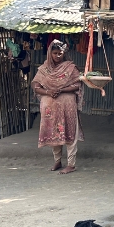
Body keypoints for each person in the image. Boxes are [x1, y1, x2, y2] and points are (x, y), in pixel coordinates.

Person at [32, 39, 83, 174]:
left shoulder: (71, 67)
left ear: (64, 53)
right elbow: (36, 86)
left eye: (60, 53)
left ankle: (71, 164)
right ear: (50, 53)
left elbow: (78, 84)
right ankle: (57, 161)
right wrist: (48, 92)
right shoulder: (44, 69)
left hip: (68, 107)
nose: (57, 56)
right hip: (50, 108)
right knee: (54, 134)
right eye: (55, 53)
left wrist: (61, 90)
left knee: (70, 133)